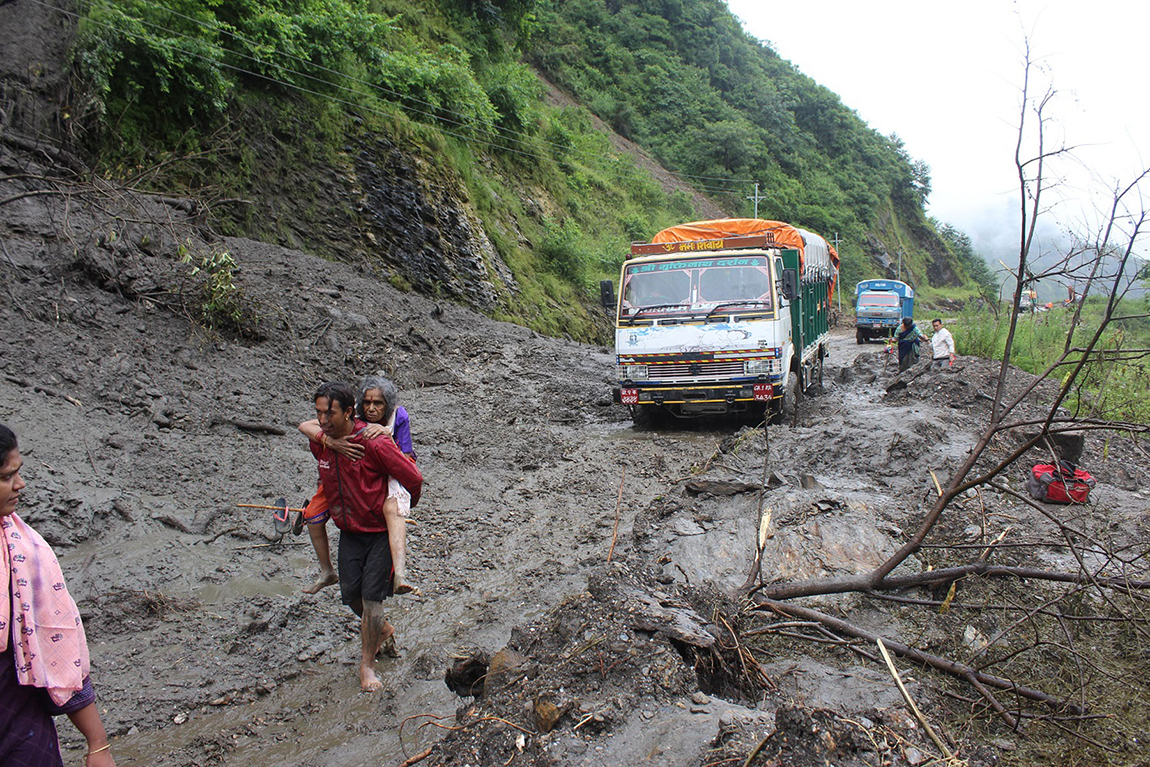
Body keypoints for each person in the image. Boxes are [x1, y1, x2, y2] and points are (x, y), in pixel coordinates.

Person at [0, 424, 117, 767]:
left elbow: (56, 648)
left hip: (18, 729)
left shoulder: (25, 555)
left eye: (18, 473)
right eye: (8, 476)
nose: (20, 485)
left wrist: (98, 744)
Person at [308, 382, 423, 691]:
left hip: (378, 533)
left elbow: (413, 477)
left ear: (349, 412)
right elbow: (307, 429)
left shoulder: (375, 443)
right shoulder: (323, 441)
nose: (322, 421)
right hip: (349, 531)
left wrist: (399, 507)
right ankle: (382, 630)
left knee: (371, 601)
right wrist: (329, 441)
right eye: (319, 413)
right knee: (352, 598)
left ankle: (367, 666)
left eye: (329, 414)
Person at [298, 377, 417, 595]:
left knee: (394, 510)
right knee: (312, 514)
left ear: (388, 404)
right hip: (345, 476)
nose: (371, 409)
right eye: (367, 403)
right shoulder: (347, 422)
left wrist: (387, 437)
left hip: (392, 460)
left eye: (378, 404)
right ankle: (326, 571)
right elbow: (305, 425)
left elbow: (407, 458)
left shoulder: (398, 417)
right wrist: (329, 441)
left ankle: (400, 573)